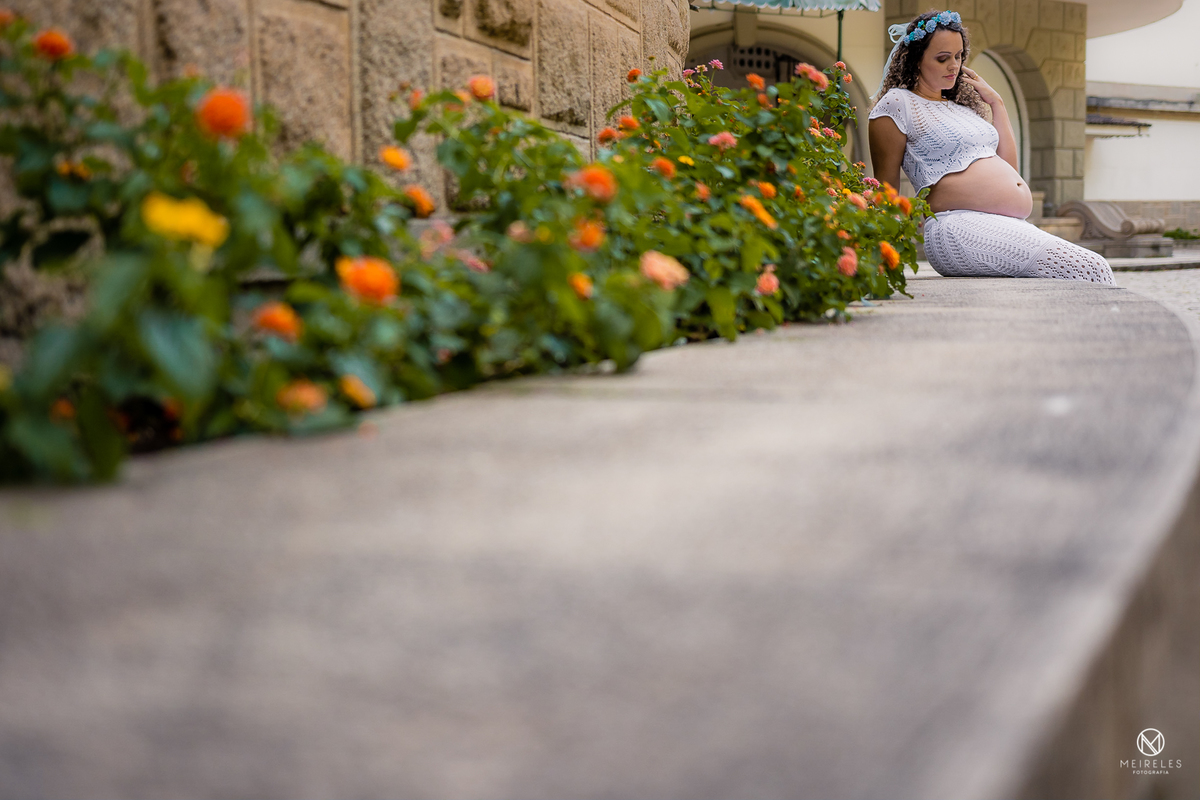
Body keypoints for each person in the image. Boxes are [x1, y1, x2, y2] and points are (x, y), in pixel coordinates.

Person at [867, 10, 1114, 284]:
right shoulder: (898, 103)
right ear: (916, 60)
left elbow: (1011, 173)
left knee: (1091, 271)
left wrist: (997, 103)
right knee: (1092, 268)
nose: (954, 66)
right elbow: (885, 190)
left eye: (959, 56)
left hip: (1003, 223)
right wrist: (883, 261)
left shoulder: (962, 108)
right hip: (955, 225)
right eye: (942, 58)